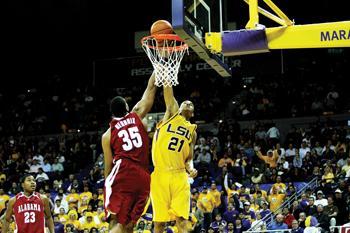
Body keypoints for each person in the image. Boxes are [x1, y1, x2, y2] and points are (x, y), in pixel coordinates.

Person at [101, 73, 157, 233]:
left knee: (116, 221)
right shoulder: (137, 114)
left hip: (123, 173)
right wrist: (159, 65)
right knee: (129, 225)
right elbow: (150, 88)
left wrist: (108, 188)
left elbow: (108, 166)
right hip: (144, 176)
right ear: (127, 107)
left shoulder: (107, 134)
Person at [151, 84, 198, 233]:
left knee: (182, 220)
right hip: (160, 174)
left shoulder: (192, 131)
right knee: (159, 224)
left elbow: (189, 157)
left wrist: (190, 168)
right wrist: (167, 75)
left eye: (191, 104)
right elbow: (168, 92)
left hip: (179, 176)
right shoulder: (172, 113)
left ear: (193, 113)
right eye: (186, 102)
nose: (188, 103)